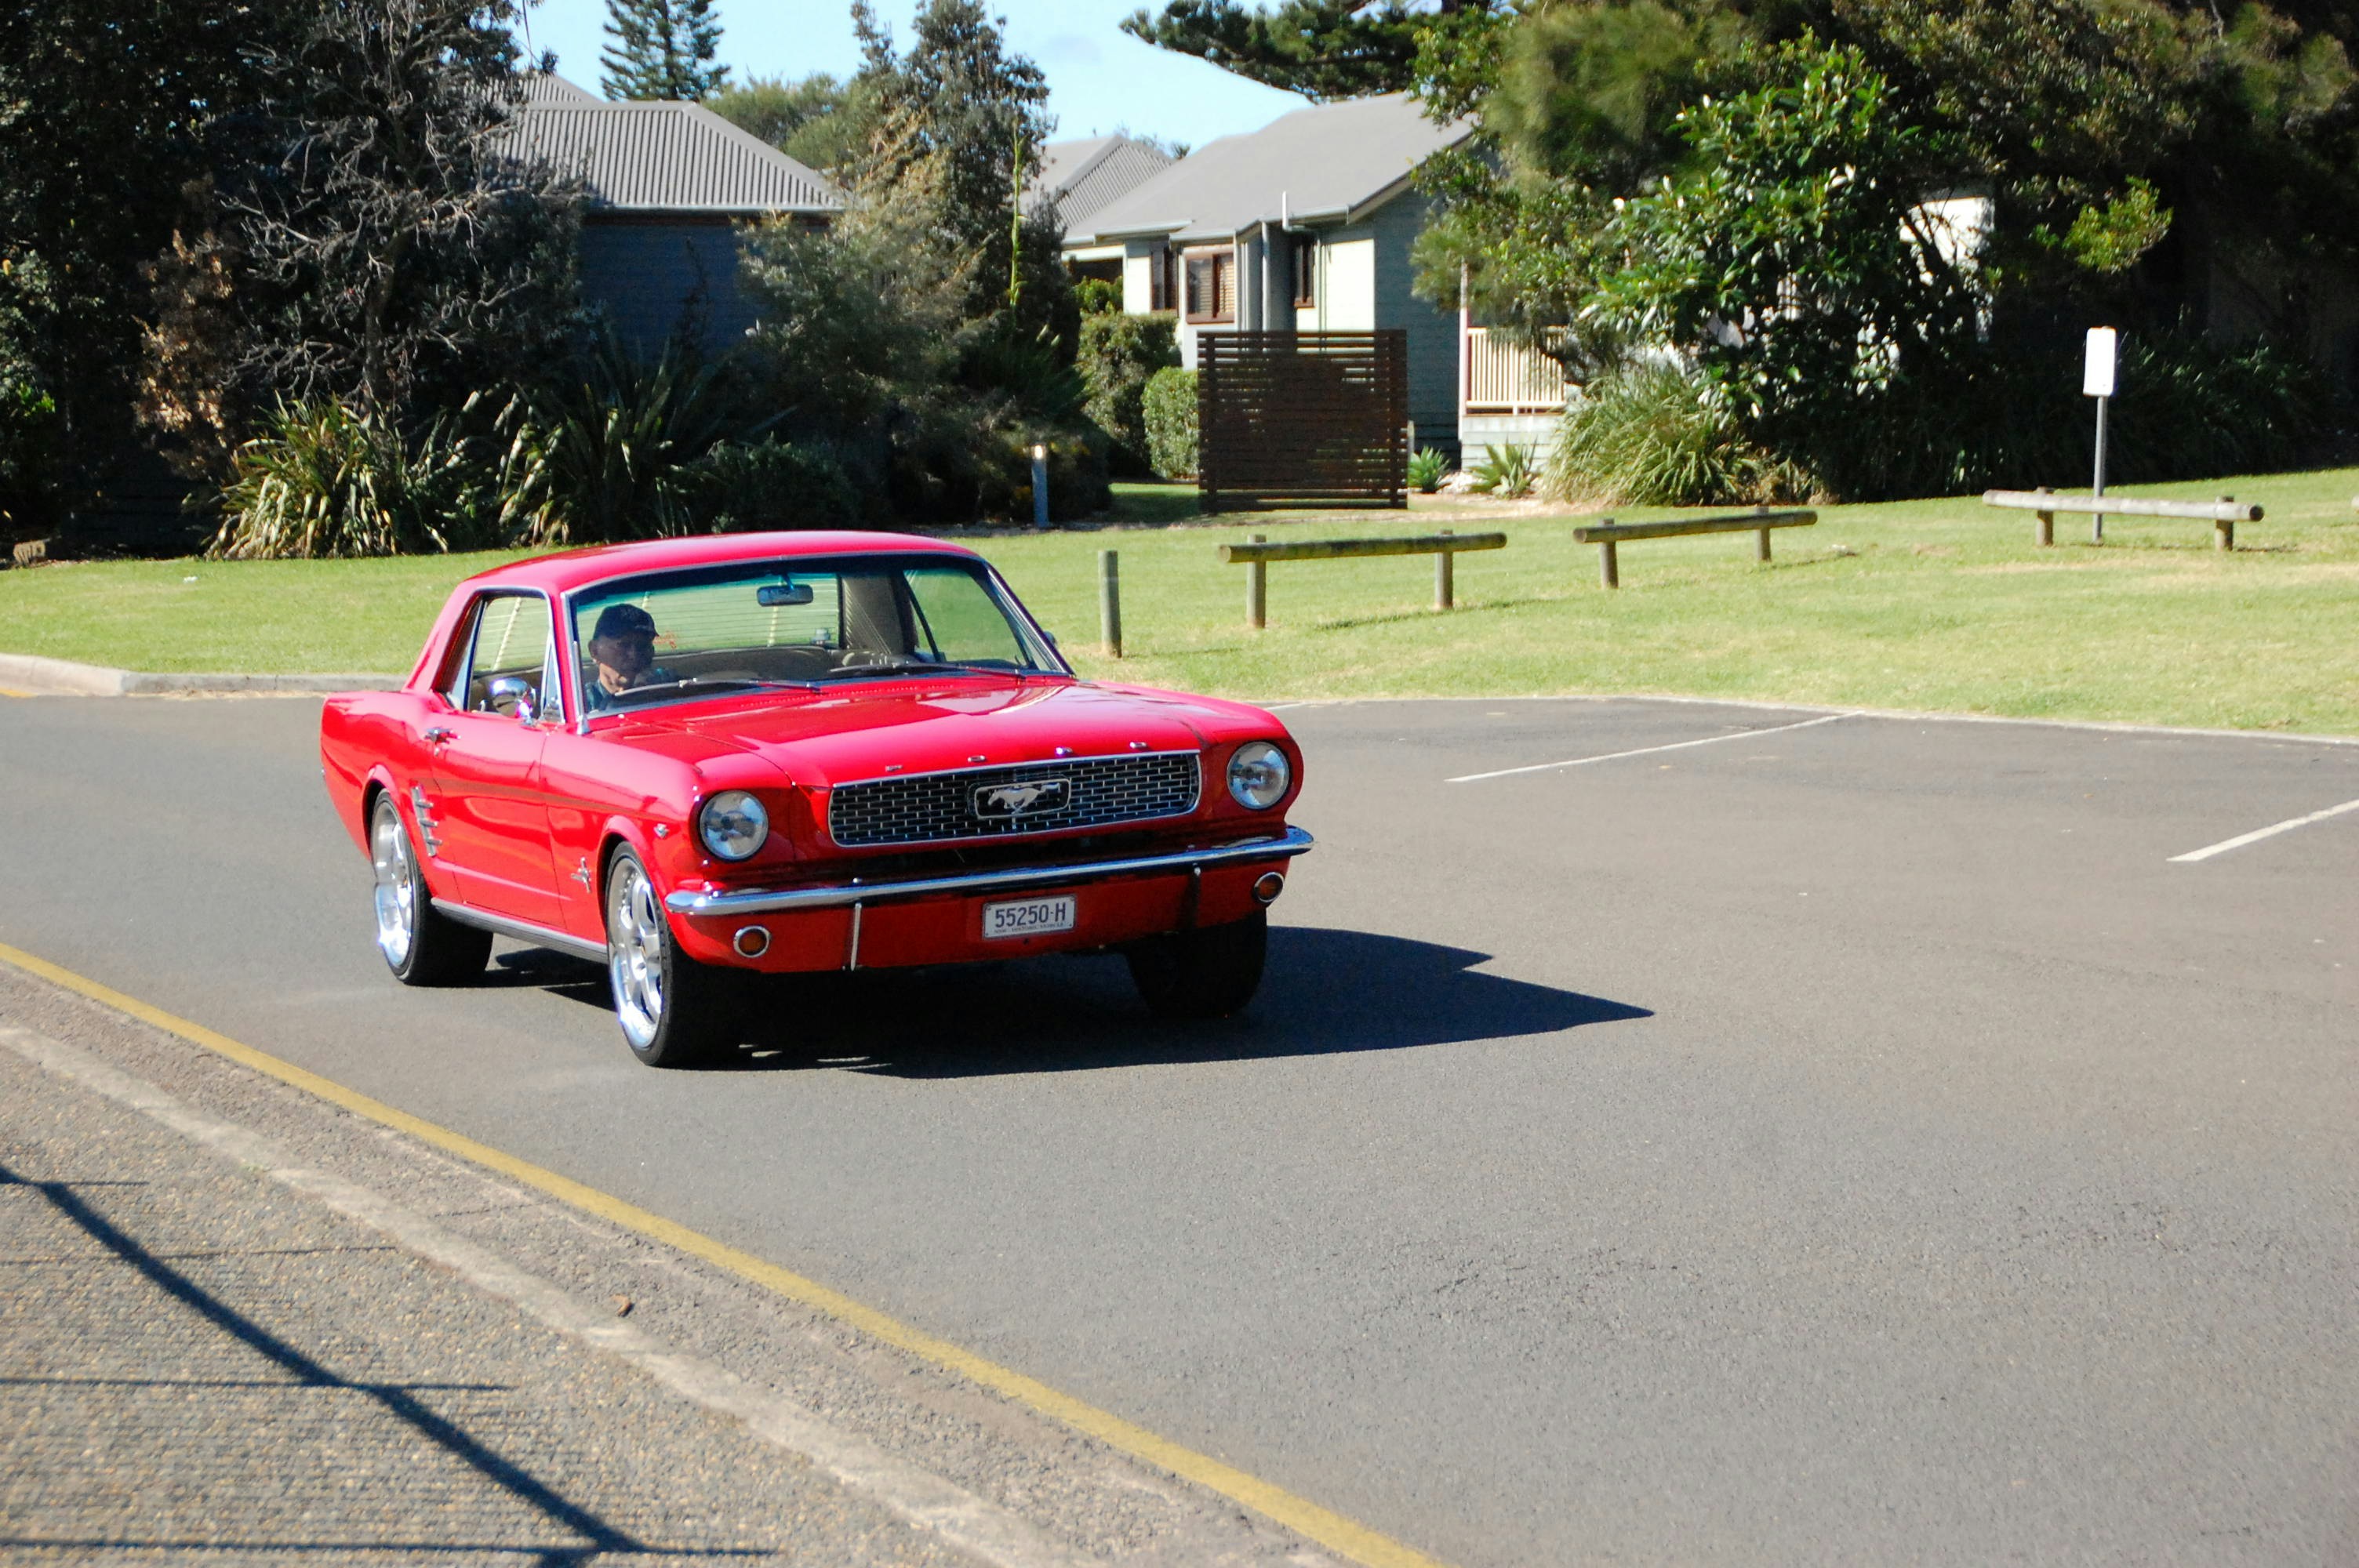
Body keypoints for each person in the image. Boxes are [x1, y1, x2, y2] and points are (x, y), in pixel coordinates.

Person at [583, 603, 673, 709]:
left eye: (642, 646)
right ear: (594, 651)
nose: (633, 655)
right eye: (623, 645)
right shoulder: (584, 704)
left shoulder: (667, 687)